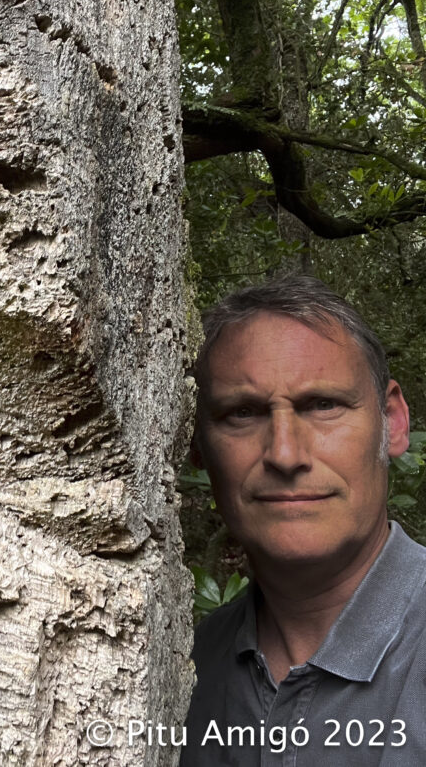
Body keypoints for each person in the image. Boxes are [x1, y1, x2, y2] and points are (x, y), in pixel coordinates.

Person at [180, 275, 426, 766]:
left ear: (392, 422)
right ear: (194, 445)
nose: (285, 455)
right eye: (243, 412)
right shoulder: (178, 669)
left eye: (322, 405)